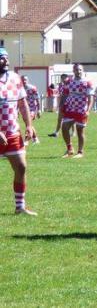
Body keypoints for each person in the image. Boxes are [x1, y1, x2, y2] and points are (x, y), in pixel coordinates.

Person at [0, 48, 38, 215]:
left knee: (21, 167)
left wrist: (29, 125)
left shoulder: (15, 79)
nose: (6, 61)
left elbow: (23, 104)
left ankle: (20, 207)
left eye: (7, 58)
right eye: (2, 58)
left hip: (12, 132)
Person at [59, 64, 94, 158]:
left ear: (82, 70)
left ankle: (80, 152)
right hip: (70, 108)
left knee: (80, 131)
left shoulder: (87, 82)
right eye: (76, 70)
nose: (78, 71)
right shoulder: (69, 81)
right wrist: (62, 106)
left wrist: (88, 110)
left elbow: (90, 98)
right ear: (73, 71)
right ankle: (69, 149)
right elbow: (65, 94)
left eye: (80, 70)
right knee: (64, 127)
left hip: (81, 109)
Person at [21, 76, 41, 140]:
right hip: (24, 109)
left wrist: (39, 110)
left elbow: (37, 99)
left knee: (28, 123)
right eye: (23, 80)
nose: (24, 81)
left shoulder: (32, 88)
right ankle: (35, 139)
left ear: (27, 80)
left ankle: (26, 140)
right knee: (28, 124)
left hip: (32, 108)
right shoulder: (20, 89)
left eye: (25, 80)